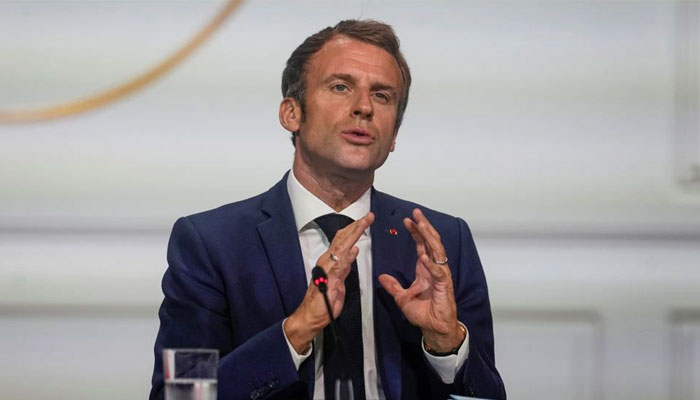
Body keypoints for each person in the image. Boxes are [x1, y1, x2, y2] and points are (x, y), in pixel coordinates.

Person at [150, 19, 505, 400]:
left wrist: (446, 343)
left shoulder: (443, 241)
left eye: (383, 96)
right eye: (341, 87)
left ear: (395, 135)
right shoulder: (212, 243)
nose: (364, 107)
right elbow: (181, 393)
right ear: (292, 113)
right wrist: (296, 331)